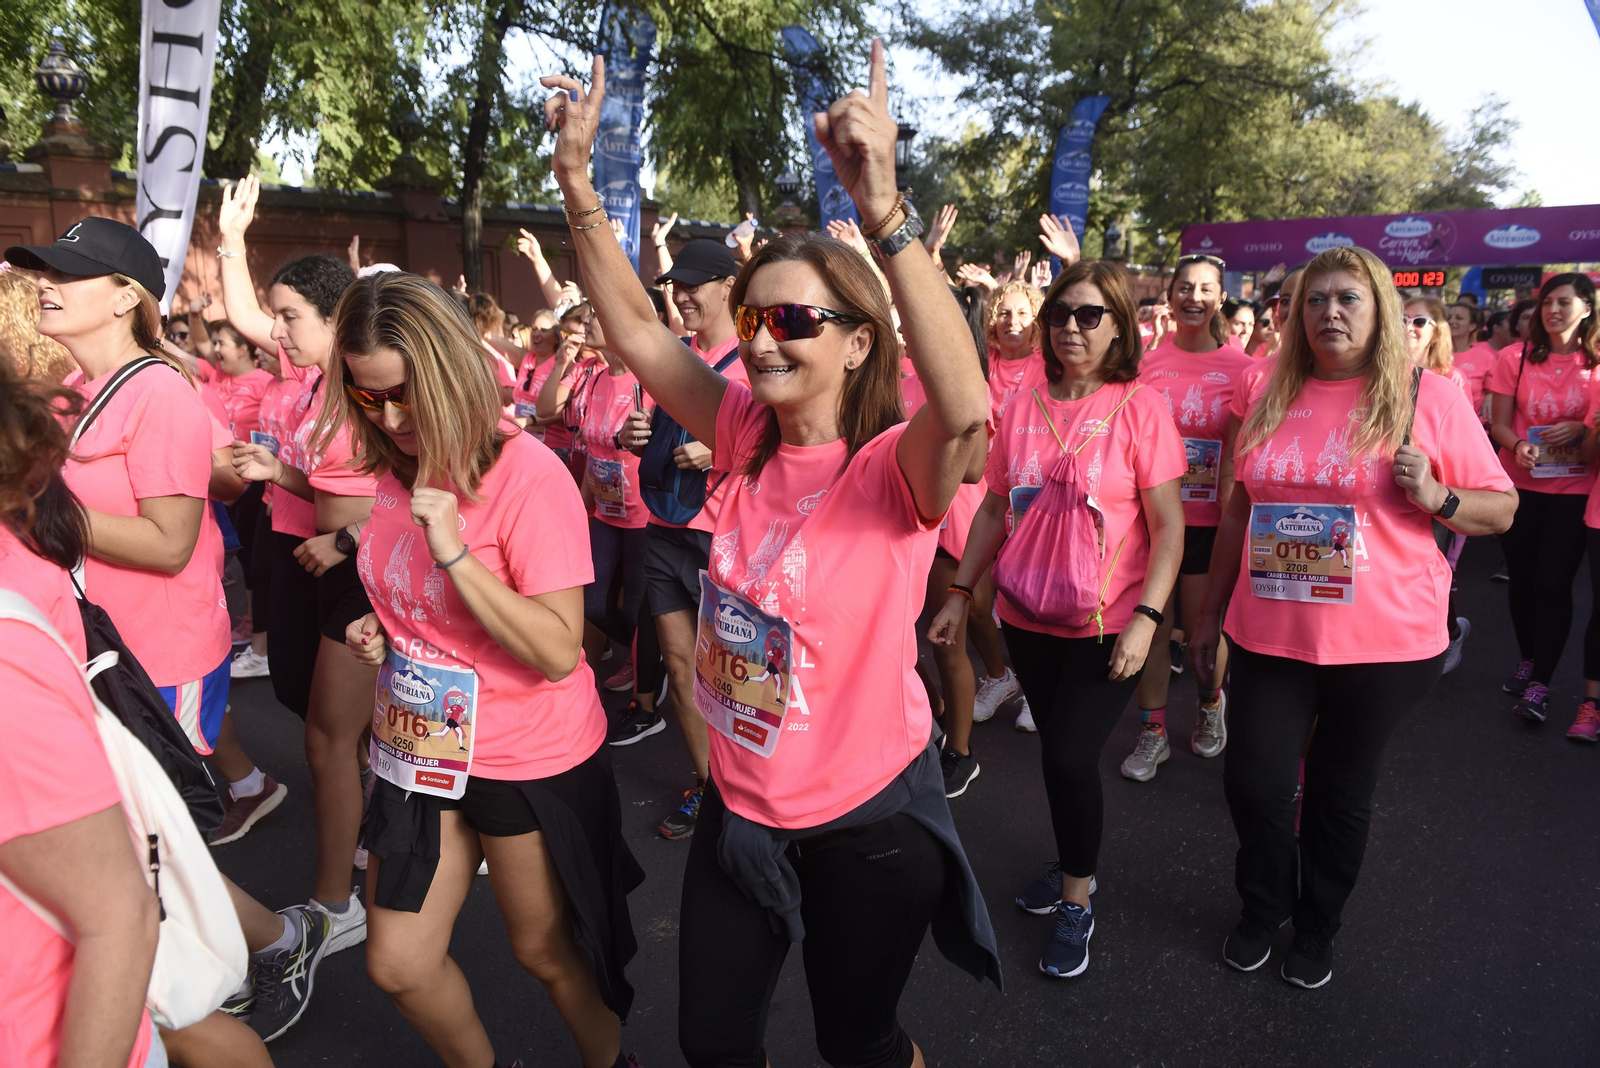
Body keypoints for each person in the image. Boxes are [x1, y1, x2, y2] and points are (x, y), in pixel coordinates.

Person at [546, 42, 1002, 1066]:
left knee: (860, 1046)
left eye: (793, 319)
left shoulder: (893, 469)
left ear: (856, 342)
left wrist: (885, 219)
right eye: (752, 317)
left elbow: (966, 412)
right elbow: (631, 327)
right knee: (713, 1045)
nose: (760, 339)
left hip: (866, 828)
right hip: (739, 808)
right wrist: (575, 182)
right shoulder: (744, 434)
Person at [324, 271, 642, 1068]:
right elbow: (416, 598)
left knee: (544, 952)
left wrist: (458, 557)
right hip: (419, 753)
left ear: (450, 374)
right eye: (368, 399)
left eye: (404, 396)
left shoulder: (526, 473)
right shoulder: (395, 468)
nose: (391, 419)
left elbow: (557, 649)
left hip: (525, 755)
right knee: (397, 962)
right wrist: (387, 628)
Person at [1191, 245, 1515, 989]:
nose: (1329, 312)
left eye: (1348, 299)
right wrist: (1206, 616)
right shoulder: (1274, 389)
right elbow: (1240, 512)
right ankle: (1262, 903)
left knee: (1339, 792)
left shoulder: (1423, 395)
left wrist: (1440, 499)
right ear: (1296, 314)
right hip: (1271, 631)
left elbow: (1502, 507)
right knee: (1256, 782)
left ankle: (1317, 924)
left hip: (1384, 645)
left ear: (1380, 314)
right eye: (1315, 300)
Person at [930, 255, 1184, 979]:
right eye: (1061, 314)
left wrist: (1148, 618)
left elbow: (1169, 527)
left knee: (1072, 754)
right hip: (1027, 616)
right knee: (1057, 757)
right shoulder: (1026, 404)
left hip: (1109, 626)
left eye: (1089, 315)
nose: (1071, 327)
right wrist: (959, 594)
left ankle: (1078, 896)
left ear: (1118, 328)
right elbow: (994, 507)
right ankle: (1076, 859)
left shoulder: (1141, 406)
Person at [4, 220, 278, 825]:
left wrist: (33, 511)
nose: (46, 284)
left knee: (159, 844)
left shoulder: (158, 388)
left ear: (127, 297)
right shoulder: (75, 385)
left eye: (69, 273)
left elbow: (169, 544)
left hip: (156, 656)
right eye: (46, 272)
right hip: (98, 646)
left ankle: (286, 926)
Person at [217, 175, 379, 942]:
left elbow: (434, 487)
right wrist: (275, 473)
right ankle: (389, 793)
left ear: (336, 316)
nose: (274, 333)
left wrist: (346, 539)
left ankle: (337, 906)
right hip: (311, 555)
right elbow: (321, 478)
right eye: (276, 317)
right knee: (303, 701)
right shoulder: (313, 383)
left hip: (362, 572)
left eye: (289, 318)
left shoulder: (378, 387)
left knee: (325, 740)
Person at [613, 237, 747, 838]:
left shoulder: (755, 360)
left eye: (695, 284)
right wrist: (629, 435)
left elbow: (792, 447)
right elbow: (640, 431)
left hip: (726, 539)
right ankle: (709, 785)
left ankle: (754, 790)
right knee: (678, 662)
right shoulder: (671, 356)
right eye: (676, 284)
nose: (683, 294)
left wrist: (724, 450)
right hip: (665, 528)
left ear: (728, 287)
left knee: (738, 674)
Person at [1124, 253, 1251, 782]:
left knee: (1203, 629)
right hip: (1149, 517)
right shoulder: (1146, 363)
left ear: (1221, 298)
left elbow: (1244, 450)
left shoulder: (1244, 369)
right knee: (1152, 626)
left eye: (1205, 289)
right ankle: (1153, 732)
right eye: (1184, 288)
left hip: (1206, 523)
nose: (1193, 297)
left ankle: (1208, 704)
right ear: (1170, 296)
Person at [1487, 273, 1599, 723]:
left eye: (1564, 302)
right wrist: (1517, 445)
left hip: (1575, 488)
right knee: (1524, 580)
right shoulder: (1514, 358)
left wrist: (1582, 430)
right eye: (1548, 302)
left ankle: (1541, 684)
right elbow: (1498, 425)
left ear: (1588, 308)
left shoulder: (1596, 363)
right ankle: (1528, 657)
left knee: (1553, 584)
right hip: (1518, 486)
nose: (1553, 310)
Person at [986, 279, 1046, 412]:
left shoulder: (1048, 365)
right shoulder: (982, 358)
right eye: (1004, 313)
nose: (1013, 321)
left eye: (1022, 313)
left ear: (1035, 320)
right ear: (993, 320)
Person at [1445, 300, 1496, 425]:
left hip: (1474, 425)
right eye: (1449, 318)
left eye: (1459, 318)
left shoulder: (1485, 357)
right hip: (1439, 425)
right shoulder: (1432, 354)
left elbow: (1494, 391)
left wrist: (1490, 398)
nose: (1452, 321)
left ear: (1472, 326)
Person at [512, 308, 560, 435]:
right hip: (525, 437)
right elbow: (491, 339)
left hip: (553, 445)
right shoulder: (527, 358)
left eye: (544, 330)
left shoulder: (562, 363)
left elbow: (563, 412)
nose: (536, 334)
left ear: (556, 338)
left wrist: (529, 421)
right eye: (534, 329)